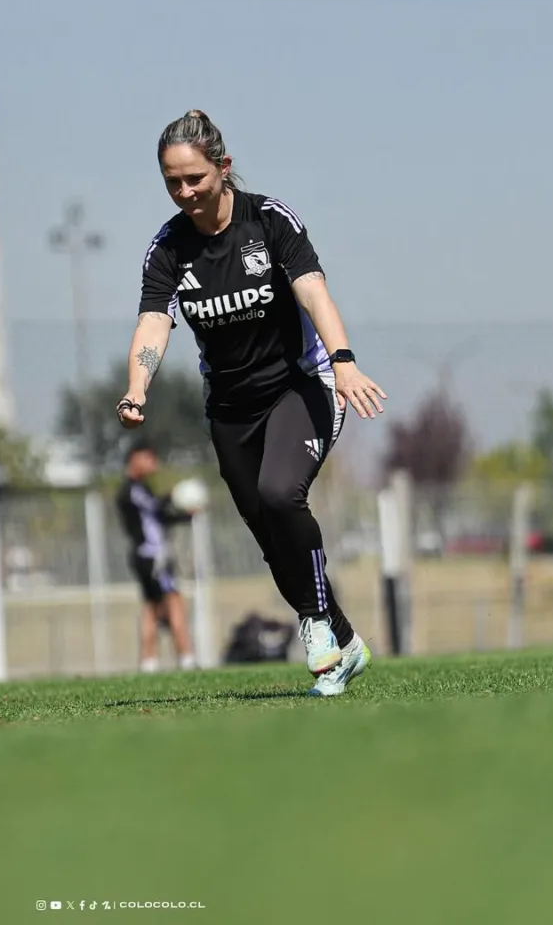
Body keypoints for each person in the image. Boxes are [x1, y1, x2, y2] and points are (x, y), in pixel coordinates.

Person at [116, 109, 387, 696]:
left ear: (223, 168)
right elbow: (154, 321)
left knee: (278, 494)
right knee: (269, 536)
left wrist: (344, 364)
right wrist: (138, 386)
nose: (185, 192)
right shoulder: (168, 248)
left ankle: (315, 626)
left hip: (302, 386)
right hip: (231, 409)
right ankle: (346, 642)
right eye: (172, 182)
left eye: (195, 179)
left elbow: (313, 290)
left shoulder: (268, 221)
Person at [115, 440, 197, 672]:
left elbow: (158, 518)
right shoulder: (131, 490)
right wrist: (176, 496)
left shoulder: (142, 488)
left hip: (147, 557)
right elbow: (155, 508)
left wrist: (184, 516)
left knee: (152, 607)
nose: (154, 463)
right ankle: (186, 658)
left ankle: (148, 663)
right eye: (149, 457)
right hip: (152, 558)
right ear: (135, 459)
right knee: (174, 602)